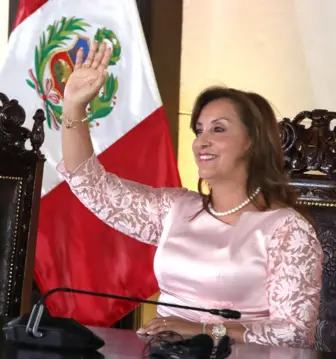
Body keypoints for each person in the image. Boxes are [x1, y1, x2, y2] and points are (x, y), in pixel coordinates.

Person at [57, 41, 322, 348]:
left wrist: (206, 331)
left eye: (218, 130)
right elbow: (90, 184)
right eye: (199, 130)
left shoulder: (287, 230)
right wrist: (73, 106)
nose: (201, 142)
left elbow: (294, 332)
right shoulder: (175, 208)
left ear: (252, 141)